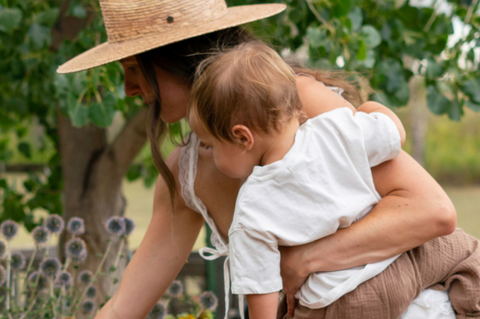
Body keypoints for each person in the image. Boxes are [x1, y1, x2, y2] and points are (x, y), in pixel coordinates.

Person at [56, 0, 466, 318]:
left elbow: (432, 211)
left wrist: (303, 260)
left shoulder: (290, 105)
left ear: (174, 56)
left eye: (134, 69)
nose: (128, 88)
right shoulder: (186, 172)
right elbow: (126, 305)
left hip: (406, 298)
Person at [187, 42, 480, 319]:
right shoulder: (336, 130)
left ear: (242, 137)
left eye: (209, 145)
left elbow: (260, 288)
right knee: (466, 252)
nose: (209, 156)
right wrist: (368, 110)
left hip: (341, 301)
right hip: (397, 266)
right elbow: (394, 134)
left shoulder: (250, 209)